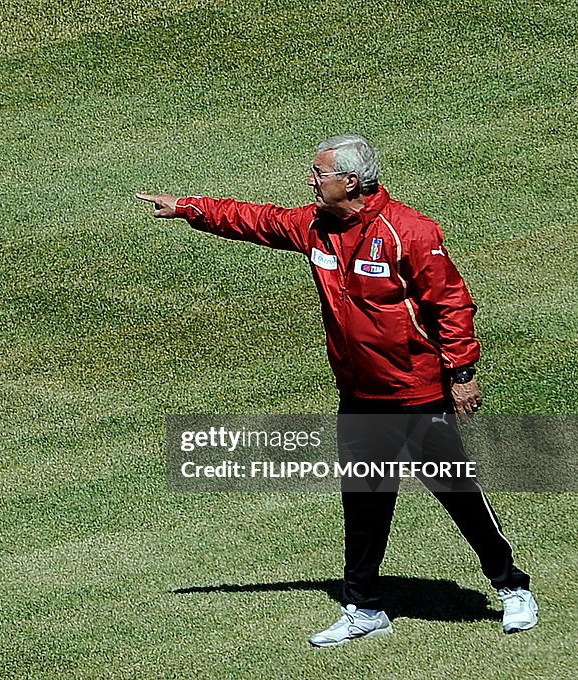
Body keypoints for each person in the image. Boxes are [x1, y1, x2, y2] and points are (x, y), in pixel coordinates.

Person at [137, 133, 538, 646]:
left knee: (458, 494)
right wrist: (189, 207)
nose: (311, 180)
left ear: (350, 181)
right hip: (359, 395)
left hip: (415, 392)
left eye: (319, 173)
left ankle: (511, 587)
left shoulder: (409, 232)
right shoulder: (316, 227)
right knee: (364, 505)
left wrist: (461, 375)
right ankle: (364, 606)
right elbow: (257, 220)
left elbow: (452, 305)